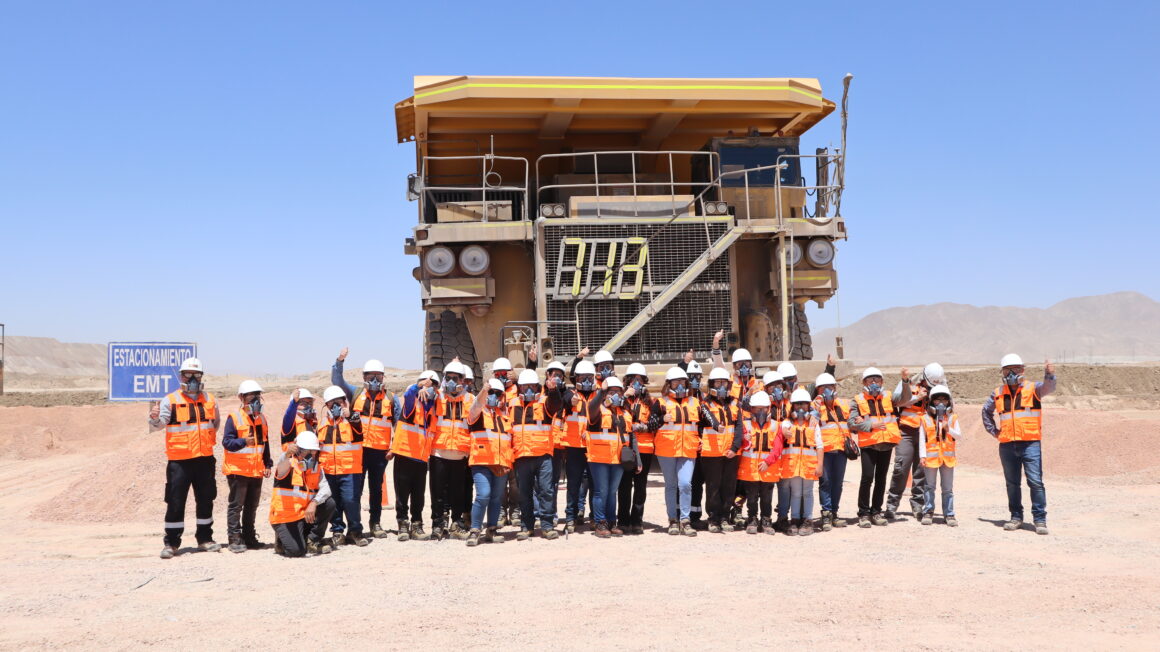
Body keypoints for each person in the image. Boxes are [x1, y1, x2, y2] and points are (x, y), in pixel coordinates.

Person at [148, 357, 222, 559]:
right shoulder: (170, 400)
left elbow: (215, 424)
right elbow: (158, 425)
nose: (192, 378)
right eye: (188, 374)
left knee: (206, 500)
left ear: (201, 377)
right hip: (179, 461)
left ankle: (205, 539)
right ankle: (171, 543)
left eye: (196, 375)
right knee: (175, 501)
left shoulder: (210, 399)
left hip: (205, 459)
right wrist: (154, 418)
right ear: (181, 376)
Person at [982, 354, 1056, 535]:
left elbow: (1049, 388)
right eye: (1007, 370)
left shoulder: (1034, 388)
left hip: (1030, 443)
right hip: (1007, 444)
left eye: (1015, 369)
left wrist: (1049, 375)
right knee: (1012, 483)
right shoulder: (998, 392)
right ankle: (1016, 517)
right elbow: (986, 411)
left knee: (1035, 482)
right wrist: (994, 431)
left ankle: (1040, 520)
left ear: (1022, 370)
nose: (1011, 373)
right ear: (1002, 372)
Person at [331, 348, 397, 539]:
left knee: (376, 489)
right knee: (355, 490)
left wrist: (393, 447)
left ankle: (375, 523)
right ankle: (355, 526)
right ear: (364, 377)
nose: (375, 379)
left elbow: (398, 424)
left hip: (379, 452)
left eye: (378, 376)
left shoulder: (392, 399)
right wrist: (340, 361)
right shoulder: (355, 393)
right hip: (357, 451)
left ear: (383, 377)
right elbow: (337, 381)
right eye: (371, 375)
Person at [655, 367, 717, 537]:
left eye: (683, 382)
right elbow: (651, 424)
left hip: (688, 449)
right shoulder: (660, 403)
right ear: (669, 384)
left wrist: (716, 425)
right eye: (676, 382)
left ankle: (685, 520)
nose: (680, 385)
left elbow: (708, 417)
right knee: (671, 485)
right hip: (666, 450)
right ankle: (673, 521)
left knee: (685, 484)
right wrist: (661, 419)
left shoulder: (695, 402)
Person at [848, 367, 910, 527]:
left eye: (877, 379)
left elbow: (905, 398)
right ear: (864, 382)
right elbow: (851, 423)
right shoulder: (857, 400)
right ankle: (863, 513)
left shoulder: (889, 396)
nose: (874, 382)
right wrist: (871, 425)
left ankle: (876, 511)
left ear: (882, 382)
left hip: (886, 443)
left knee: (881, 479)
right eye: (870, 380)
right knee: (867, 478)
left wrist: (904, 381)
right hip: (869, 444)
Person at [884, 362, 945, 521]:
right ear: (924, 377)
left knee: (921, 470)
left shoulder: (939, 387)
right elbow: (896, 402)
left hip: (926, 434)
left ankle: (918, 505)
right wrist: (917, 398)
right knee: (901, 468)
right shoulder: (908, 385)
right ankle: (892, 505)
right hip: (906, 432)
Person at [548, 358, 599, 533]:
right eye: (582, 377)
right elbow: (568, 400)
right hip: (574, 446)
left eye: (589, 378)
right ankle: (570, 517)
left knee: (594, 484)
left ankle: (593, 518)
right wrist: (573, 401)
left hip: (593, 447)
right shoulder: (569, 394)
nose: (586, 381)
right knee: (574, 484)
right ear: (576, 379)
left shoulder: (597, 396)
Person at [584, 377, 640, 538]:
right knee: (601, 491)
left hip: (617, 459)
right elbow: (591, 407)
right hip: (599, 457)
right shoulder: (597, 409)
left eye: (618, 392)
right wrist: (601, 392)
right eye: (611, 392)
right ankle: (600, 522)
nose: (615, 395)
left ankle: (610, 522)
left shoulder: (624, 411)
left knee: (612, 491)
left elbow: (630, 435)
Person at [222, 380, 273, 553]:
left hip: (256, 470)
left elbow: (265, 444)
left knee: (252, 506)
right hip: (238, 470)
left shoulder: (262, 419)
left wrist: (267, 463)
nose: (256, 401)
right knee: (236, 505)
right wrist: (244, 441)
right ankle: (234, 539)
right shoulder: (234, 418)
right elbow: (227, 442)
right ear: (242, 398)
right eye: (251, 397)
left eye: (258, 397)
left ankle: (249, 537)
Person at [510, 369, 561, 540]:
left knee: (546, 491)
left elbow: (556, 405)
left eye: (532, 386)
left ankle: (546, 526)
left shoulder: (545, 402)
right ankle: (526, 526)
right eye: (525, 387)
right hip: (522, 456)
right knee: (524, 493)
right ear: (520, 388)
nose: (529, 390)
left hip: (543, 456)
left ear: (538, 387)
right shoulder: (512, 404)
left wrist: (553, 390)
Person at [270, 431, 337, 557]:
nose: (312, 454)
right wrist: (287, 453)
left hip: (303, 514)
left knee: (329, 503)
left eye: (314, 451)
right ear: (298, 450)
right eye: (308, 451)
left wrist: (314, 503)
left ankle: (312, 540)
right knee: (296, 552)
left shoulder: (315, 467)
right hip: (285, 517)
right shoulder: (288, 464)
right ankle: (281, 539)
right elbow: (281, 463)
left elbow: (326, 489)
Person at [465, 379, 514, 546]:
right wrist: (484, 391)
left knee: (495, 498)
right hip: (481, 462)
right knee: (483, 495)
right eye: (491, 393)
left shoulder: (505, 417)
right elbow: (475, 406)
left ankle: (491, 530)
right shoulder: (478, 413)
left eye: (497, 394)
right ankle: (475, 530)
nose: (494, 396)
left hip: (500, 464)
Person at [317, 385, 367, 547]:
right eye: (332, 403)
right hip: (329, 470)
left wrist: (351, 415)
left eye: (339, 402)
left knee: (351, 501)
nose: (336, 406)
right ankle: (338, 531)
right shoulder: (322, 423)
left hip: (350, 470)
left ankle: (355, 532)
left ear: (345, 403)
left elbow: (359, 432)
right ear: (327, 406)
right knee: (334, 503)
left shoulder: (353, 420)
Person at [391, 370, 438, 541]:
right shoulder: (413, 404)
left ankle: (417, 525)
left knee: (419, 495)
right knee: (402, 494)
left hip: (421, 460)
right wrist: (417, 386)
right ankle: (403, 524)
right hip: (404, 456)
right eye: (427, 385)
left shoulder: (432, 410)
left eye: (433, 386)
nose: (430, 389)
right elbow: (408, 394)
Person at [430, 360, 473, 540]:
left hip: (460, 454)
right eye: (449, 378)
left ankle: (457, 523)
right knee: (437, 493)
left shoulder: (471, 400)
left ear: (463, 380)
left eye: (456, 378)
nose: (452, 381)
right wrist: (423, 387)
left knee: (458, 493)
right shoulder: (436, 397)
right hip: (439, 452)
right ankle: (438, 525)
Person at [616, 362, 661, 535]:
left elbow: (655, 423)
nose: (637, 383)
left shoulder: (652, 402)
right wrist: (623, 395)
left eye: (640, 380)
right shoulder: (620, 399)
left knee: (640, 487)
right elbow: (612, 414)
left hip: (645, 449)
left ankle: (637, 521)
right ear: (627, 381)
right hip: (626, 449)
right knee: (624, 486)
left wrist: (639, 427)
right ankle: (623, 521)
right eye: (633, 380)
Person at [777, 389, 825, 535]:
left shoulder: (813, 424)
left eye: (804, 405)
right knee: (796, 493)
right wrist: (785, 432)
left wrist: (820, 465)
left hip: (809, 465)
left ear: (808, 406)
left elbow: (820, 445)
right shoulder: (786, 423)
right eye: (797, 405)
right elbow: (782, 430)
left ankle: (808, 520)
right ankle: (795, 519)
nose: (800, 408)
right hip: (793, 465)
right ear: (792, 406)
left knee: (808, 492)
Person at [700, 366, 742, 533]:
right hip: (712, 453)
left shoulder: (735, 403)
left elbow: (739, 428)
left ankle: (725, 517)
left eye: (724, 382)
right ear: (711, 385)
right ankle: (713, 518)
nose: (721, 386)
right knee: (713, 487)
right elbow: (709, 419)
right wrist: (716, 426)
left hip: (731, 453)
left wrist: (734, 448)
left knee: (729, 486)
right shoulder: (705, 404)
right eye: (718, 382)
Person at [736, 391, 782, 534]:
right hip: (750, 470)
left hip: (768, 469)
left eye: (763, 409)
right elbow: (741, 445)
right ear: (751, 409)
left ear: (769, 409)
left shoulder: (775, 425)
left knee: (767, 498)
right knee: (751, 497)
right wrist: (745, 439)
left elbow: (778, 448)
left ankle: (766, 520)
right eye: (757, 408)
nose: (761, 412)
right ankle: (752, 519)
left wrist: (768, 462)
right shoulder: (745, 425)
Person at [813, 373, 852, 530]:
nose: (828, 390)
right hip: (825, 451)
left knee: (838, 483)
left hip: (841, 450)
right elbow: (811, 423)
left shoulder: (842, 405)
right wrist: (816, 405)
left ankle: (834, 513)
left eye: (831, 387)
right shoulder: (815, 406)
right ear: (818, 389)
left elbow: (850, 422)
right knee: (825, 482)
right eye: (824, 387)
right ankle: (826, 514)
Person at [919, 385, 960, 526]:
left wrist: (949, 429)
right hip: (931, 459)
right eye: (937, 400)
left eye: (944, 400)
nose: (941, 403)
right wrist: (922, 456)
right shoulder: (925, 418)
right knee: (929, 486)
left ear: (949, 402)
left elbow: (958, 435)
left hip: (947, 459)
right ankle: (928, 512)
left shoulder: (952, 418)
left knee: (947, 488)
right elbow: (921, 439)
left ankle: (949, 514)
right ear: (931, 402)